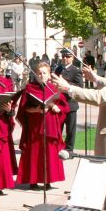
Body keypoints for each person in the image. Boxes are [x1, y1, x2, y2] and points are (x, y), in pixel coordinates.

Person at [16, 61, 69, 189]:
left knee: (49, 154)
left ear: (49, 74)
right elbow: (24, 109)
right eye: (39, 73)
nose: (42, 75)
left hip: (50, 125)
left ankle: (47, 180)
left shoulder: (54, 88)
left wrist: (57, 107)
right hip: (35, 125)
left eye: (44, 73)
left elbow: (65, 106)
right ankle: (33, 181)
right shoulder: (30, 88)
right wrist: (37, 110)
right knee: (35, 153)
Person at [54, 49, 83, 158]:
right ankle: (57, 147)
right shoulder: (58, 69)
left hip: (70, 104)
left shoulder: (76, 71)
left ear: (72, 58)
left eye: (67, 56)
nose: (65, 59)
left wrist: (65, 84)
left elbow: (80, 87)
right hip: (59, 103)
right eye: (63, 57)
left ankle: (69, 149)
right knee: (58, 127)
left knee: (70, 129)